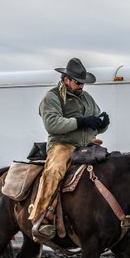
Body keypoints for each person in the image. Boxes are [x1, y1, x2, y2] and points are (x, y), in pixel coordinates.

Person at [28, 58, 110, 240]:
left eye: (83, 83)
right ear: (66, 79)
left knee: (111, 166)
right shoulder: (51, 97)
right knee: (54, 171)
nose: (82, 86)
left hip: (87, 144)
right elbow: (52, 124)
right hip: (62, 145)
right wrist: (81, 121)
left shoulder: (87, 98)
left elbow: (95, 122)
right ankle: (41, 219)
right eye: (78, 82)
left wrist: (102, 123)